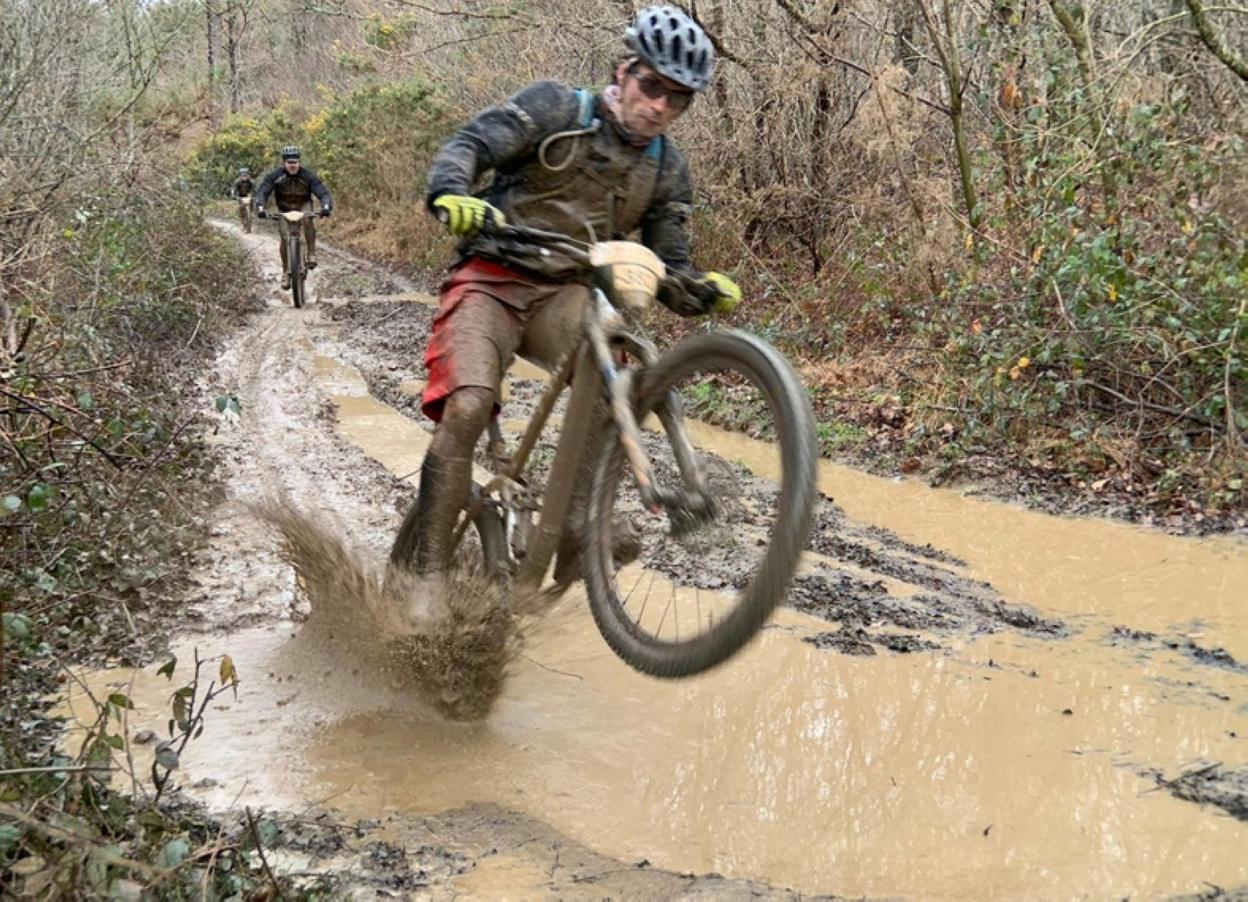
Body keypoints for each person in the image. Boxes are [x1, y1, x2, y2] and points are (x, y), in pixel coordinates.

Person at [403, 4, 742, 585]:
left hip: (567, 296)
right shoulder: (556, 107)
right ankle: (425, 575)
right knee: (466, 406)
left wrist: (698, 290)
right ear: (623, 72)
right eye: (652, 85)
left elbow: (668, 263)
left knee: (616, 377)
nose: (659, 105)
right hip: (492, 279)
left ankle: (583, 520)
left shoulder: (666, 168)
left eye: (677, 98)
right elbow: (470, 144)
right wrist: (451, 192)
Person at [254, 146, 333, 290]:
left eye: (295, 162)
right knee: (284, 237)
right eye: (289, 162)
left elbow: (322, 192)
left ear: (299, 162)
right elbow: (262, 192)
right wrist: (260, 207)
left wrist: (326, 206)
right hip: (284, 208)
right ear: (284, 163)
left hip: (303, 205)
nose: (292, 165)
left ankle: (311, 253)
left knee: (307, 220)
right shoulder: (274, 176)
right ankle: (285, 272)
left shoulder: (307, 176)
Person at [231, 167, 255, 231]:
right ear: (240, 175)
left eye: (245, 174)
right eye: (242, 175)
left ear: (248, 175)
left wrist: (253, 194)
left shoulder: (251, 181)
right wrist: (233, 195)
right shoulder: (237, 181)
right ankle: (244, 224)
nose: (244, 176)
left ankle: (252, 213)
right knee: (241, 211)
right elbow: (234, 189)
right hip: (240, 196)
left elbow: (254, 189)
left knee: (252, 202)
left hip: (248, 196)